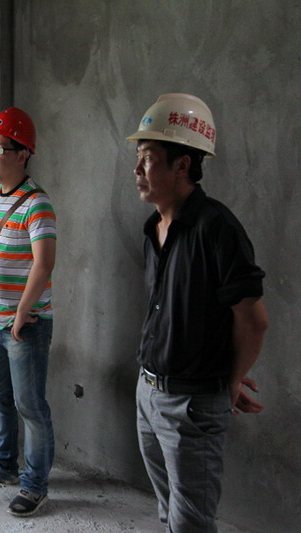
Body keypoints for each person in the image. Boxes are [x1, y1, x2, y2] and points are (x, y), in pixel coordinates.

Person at [127, 93, 269, 532]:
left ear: (182, 165)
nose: (137, 170)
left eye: (148, 159)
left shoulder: (217, 228)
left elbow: (254, 320)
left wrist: (228, 382)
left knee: (190, 522)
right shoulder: (154, 228)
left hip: (191, 406)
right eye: (137, 157)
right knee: (169, 510)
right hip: (149, 392)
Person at [0, 107, 57, 518]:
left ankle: (35, 485)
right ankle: (3, 464)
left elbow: (44, 263)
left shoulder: (37, 204)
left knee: (30, 406)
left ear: (23, 155)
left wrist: (21, 313)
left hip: (26, 325)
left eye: (0, 149)